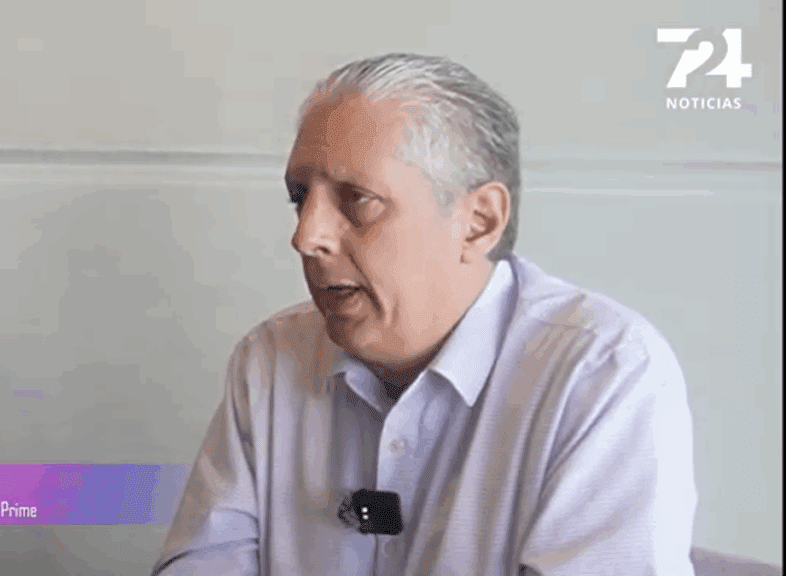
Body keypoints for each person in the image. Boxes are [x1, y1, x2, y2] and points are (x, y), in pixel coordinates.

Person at [152, 53, 698, 575]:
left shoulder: (600, 372)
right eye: (300, 197)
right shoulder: (271, 359)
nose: (306, 235)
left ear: (478, 221)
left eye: (356, 199)